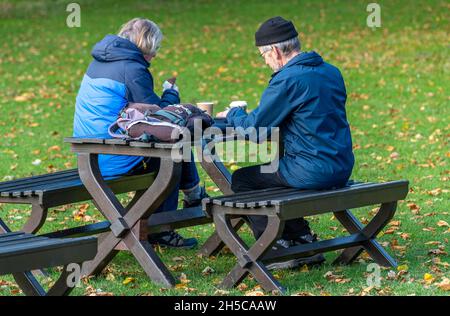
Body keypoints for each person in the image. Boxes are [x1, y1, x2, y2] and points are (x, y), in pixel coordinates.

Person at [217, 16, 355, 269]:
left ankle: (275, 248)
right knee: (271, 170)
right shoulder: (330, 71)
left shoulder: (288, 79)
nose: (265, 62)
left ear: (276, 51)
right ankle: (300, 238)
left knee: (243, 180)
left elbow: (254, 130)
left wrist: (233, 113)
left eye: (263, 56)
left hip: (311, 170)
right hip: (341, 165)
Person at [73, 18, 206, 249]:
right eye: (154, 51)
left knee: (172, 145)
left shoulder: (100, 61)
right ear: (146, 46)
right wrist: (171, 94)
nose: (154, 57)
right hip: (111, 155)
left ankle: (189, 198)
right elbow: (160, 117)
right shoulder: (132, 68)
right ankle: (165, 227)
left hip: (91, 155)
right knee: (171, 147)